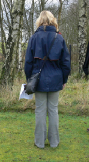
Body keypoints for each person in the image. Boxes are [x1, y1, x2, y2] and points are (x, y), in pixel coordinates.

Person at [24, 11, 71, 149]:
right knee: (53, 110)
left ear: (39, 21)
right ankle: (54, 142)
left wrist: (29, 79)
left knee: (40, 110)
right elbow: (66, 63)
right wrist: (64, 79)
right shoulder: (59, 38)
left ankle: (39, 142)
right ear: (52, 20)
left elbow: (28, 62)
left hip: (38, 80)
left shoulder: (34, 38)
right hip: (56, 79)